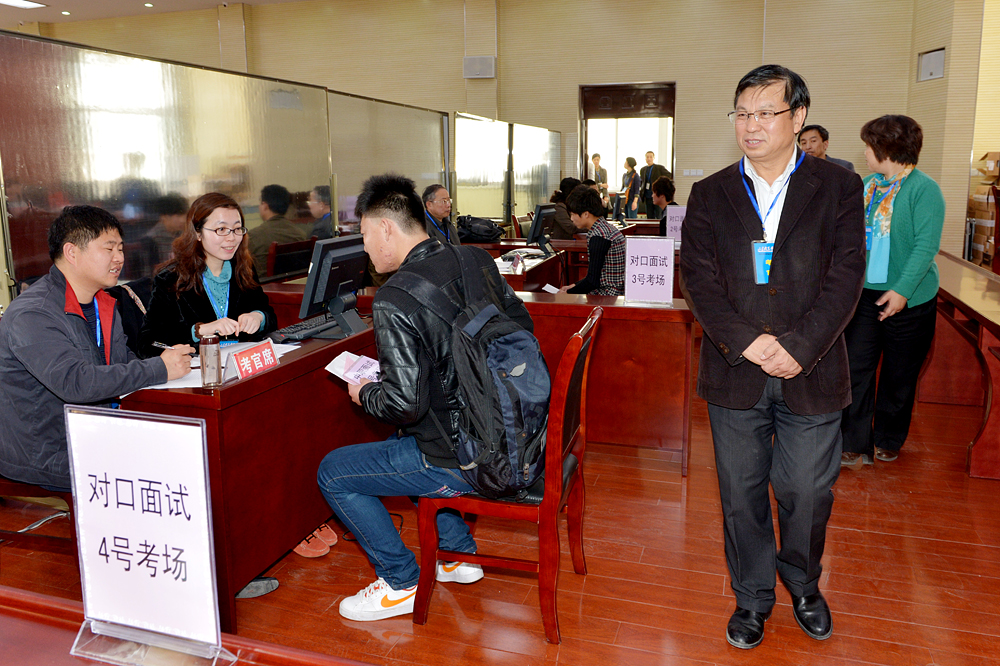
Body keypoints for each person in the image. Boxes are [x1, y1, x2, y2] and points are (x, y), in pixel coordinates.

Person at [679, 64, 865, 650]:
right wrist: (748, 341)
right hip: (736, 369)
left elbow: (846, 277)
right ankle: (752, 597)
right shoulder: (711, 193)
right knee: (740, 495)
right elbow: (699, 281)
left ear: (798, 116)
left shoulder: (838, 186)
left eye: (766, 112)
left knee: (807, 493)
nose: (751, 125)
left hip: (813, 367)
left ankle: (804, 586)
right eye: (742, 113)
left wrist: (798, 347)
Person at [316, 173, 533, 621]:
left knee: (334, 472)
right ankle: (457, 557)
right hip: (515, 435)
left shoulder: (394, 297)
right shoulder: (475, 259)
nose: (365, 248)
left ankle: (400, 582)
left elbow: (403, 405)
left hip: (463, 460)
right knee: (406, 444)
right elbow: (520, 329)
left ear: (385, 229)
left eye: (364, 235)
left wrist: (365, 392)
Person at [0, 205, 193, 490]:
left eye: (121, 249)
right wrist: (159, 368)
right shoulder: (33, 313)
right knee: (169, 471)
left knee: (189, 450)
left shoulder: (102, 301)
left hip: (99, 434)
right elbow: (76, 383)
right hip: (49, 455)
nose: (120, 258)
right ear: (72, 252)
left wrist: (170, 365)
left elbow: (122, 362)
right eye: (109, 249)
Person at [840, 115, 944, 469]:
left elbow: (925, 246)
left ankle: (888, 437)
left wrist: (902, 290)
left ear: (886, 149)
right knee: (856, 368)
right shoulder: (867, 185)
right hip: (866, 295)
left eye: (869, 146)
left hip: (911, 298)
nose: (865, 153)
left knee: (899, 374)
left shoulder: (924, 189)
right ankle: (853, 442)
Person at [139, 192, 277, 358]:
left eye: (237, 229)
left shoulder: (243, 268)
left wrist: (258, 317)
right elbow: (148, 344)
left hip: (241, 363)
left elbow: (269, 315)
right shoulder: (171, 278)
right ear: (198, 233)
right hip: (199, 368)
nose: (232, 238)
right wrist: (200, 331)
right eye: (221, 229)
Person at [559, 185, 625, 296]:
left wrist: (568, 293)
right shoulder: (606, 228)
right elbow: (594, 277)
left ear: (586, 214)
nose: (571, 219)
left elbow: (592, 281)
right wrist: (573, 286)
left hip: (608, 296)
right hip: (616, 292)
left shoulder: (598, 236)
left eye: (573, 214)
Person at [247, 184, 308, 276]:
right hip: (295, 282)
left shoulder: (253, 236)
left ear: (265, 205)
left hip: (264, 283)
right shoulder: (300, 234)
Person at [640, 151, 671, 219]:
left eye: (651, 157)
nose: (649, 158)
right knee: (649, 215)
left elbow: (669, 175)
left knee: (659, 215)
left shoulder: (659, 168)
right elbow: (642, 181)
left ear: (653, 158)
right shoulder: (643, 169)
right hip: (647, 196)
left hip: (657, 195)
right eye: (647, 157)